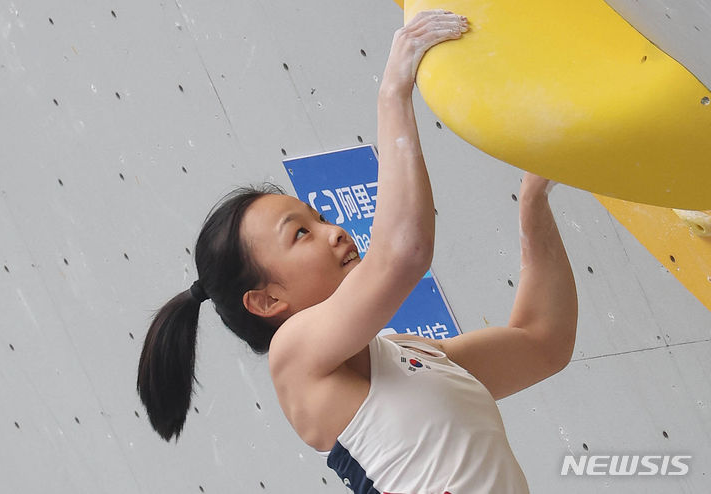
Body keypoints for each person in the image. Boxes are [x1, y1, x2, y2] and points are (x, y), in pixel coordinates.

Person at [137, 9, 578, 493]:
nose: (335, 231)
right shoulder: (293, 358)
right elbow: (404, 252)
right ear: (265, 301)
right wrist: (393, 92)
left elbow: (542, 342)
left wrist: (534, 197)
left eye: (320, 217)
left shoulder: (410, 354)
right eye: (300, 233)